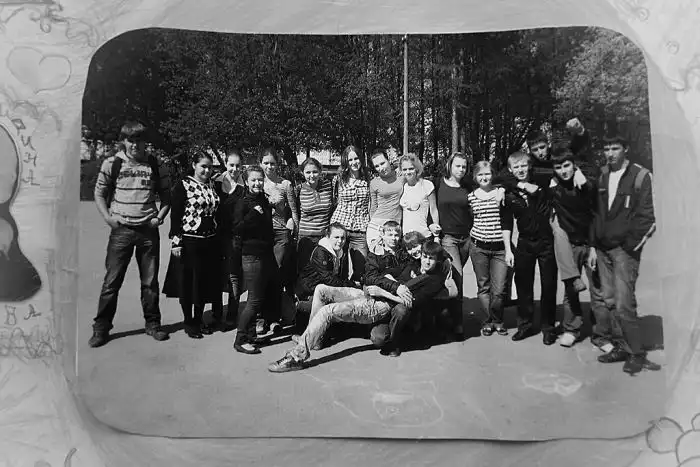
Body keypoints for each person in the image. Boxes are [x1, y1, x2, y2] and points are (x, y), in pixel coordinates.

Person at [267, 239, 449, 373]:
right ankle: (315, 338)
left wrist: (383, 291)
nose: (426, 261)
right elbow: (385, 275)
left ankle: (297, 356)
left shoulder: (433, 280)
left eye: (431, 259)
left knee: (327, 311)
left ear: (438, 261)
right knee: (322, 290)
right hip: (370, 294)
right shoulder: (413, 265)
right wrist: (392, 284)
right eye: (425, 256)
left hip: (379, 306)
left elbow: (411, 302)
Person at [89, 121, 171, 348]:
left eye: (139, 140)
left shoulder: (156, 164)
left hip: (148, 232)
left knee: (150, 283)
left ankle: (153, 324)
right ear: (124, 141)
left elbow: (167, 196)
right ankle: (101, 328)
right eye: (130, 140)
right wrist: (108, 218)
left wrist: (159, 217)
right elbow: (99, 192)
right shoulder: (112, 163)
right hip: (121, 231)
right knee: (111, 282)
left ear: (145, 142)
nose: (135, 144)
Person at [588, 132, 660, 375]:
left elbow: (648, 218)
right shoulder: (602, 174)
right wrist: (594, 244)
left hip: (623, 251)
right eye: (606, 149)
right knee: (609, 301)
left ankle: (637, 353)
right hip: (602, 249)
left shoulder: (641, 176)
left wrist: (628, 247)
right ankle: (621, 347)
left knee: (623, 304)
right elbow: (596, 213)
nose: (610, 154)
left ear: (625, 149)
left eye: (615, 148)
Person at [544, 146, 608, 349]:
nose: (563, 171)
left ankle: (601, 335)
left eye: (567, 166)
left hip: (591, 243)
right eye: (558, 167)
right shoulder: (553, 187)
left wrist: (593, 248)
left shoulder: (587, 186)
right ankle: (571, 329)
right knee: (570, 290)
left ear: (573, 165)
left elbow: (597, 217)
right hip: (570, 244)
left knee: (599, 291)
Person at [162, 151, 222, 339]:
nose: (207, 170)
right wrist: (176, 241)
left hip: (209, 241)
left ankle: (199, 319)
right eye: (203, 166)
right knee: (188, 283)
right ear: (194, 165)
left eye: (209, 167)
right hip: (189, 241)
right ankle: (189, 322)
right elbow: (175, 215)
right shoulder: (184, 185)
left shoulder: (212, 185)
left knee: (203, 283)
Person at [502, 151, 559, 346]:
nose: (520, 170)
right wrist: (508, 249)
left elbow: (556, 172)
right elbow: (506, 223)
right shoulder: (509, 193)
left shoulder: (542, 183)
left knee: (549, 285)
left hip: (546, 241)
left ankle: (548, 327)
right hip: (525, 242)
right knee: (523, 285)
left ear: (529, 167)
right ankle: (525, 325)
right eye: (516, 167)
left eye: (523, 166)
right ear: (511, 170)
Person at [231, 165, 282, 355]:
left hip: (265, 253)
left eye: (260, 179)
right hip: (251, 255)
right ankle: (240, 339)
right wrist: (253, 214)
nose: (257, 183)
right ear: (246, 181)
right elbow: (237, 228)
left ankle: (251, 335)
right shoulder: (243, 202)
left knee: (260, 298)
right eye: (253, 180)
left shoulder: (263, 199)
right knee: (254, 300)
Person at [468, 161, 515, 337]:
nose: (484, 177)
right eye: (480, 174)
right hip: (478, 247)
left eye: (487, 173)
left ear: (492, 175)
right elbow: (469, 219)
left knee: (499, 289)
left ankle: (497, 319)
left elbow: (508, 221)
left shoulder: (501, 194)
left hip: (500, 249)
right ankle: (489, 321)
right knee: (483, 286)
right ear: (475, 177)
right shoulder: (471, 197)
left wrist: (509, 249)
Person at [260, 147, 298, 333]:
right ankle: (262, 317)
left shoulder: (285, 184)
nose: (269, 166)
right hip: (262, 233)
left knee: (277, 272)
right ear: (260, 164)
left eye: (272, 163)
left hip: (281, 233)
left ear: (278, 164)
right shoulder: (257, 182)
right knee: (262, 275)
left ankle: (274, 317)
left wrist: (294, 229)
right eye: (266, 163)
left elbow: (294, 210)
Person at [209, 149, 246, 333]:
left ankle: (232, 315)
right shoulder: (215, 182)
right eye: (231, 165)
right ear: (225, 163)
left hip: (235, 238)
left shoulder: (245, 186)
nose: (234, 169)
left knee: (234, 276)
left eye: (238, 165)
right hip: (215, 236)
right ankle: (216, 315)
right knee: (215, 274)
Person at [294, 222, 360, 310]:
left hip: (325, 287)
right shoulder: (321, 252)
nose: (340, 241)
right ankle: (299, 306)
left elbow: (341, 276)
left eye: (343, 238)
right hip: (310, 290)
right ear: (328, 237)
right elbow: (328, 279)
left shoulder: (340, 251)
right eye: (336, 237)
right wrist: (351, 285)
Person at [330, 145, 371, 282]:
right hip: (340, 227)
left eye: (356, 158)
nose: (354, 162)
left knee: (361, 269)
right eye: (350, 160)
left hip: (360, 229)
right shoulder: (339, 179)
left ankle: (353, 288)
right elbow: (334, 200)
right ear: (346, 162)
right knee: (339, 267)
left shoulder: (368, 178)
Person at [296, 157, 335, 272]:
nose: (312, 175)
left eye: (315, 172)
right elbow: (294, 210)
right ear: (302, 173)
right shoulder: (299, 189)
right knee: (305, 270)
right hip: (306, 237)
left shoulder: (328, 185)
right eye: (308, 172)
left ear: (320, 171)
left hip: (324, 236)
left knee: (323, 269)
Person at [398, 153, 441, 241]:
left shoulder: (427, 185)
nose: (408, 172)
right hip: (407, 238)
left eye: (411, 168)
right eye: (404, 169)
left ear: (417, 169)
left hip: (424, 236)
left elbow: (433, 210)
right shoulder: (402, 186)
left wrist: (436, 235)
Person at [367, 149, 405, 248]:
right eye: (377, 166)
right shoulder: (374, 183)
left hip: (395, 225)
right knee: (377, 256)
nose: (381, 168)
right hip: (377, 225)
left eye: (382, 163)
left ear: (388, 160)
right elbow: (373, 207)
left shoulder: (401, 177)